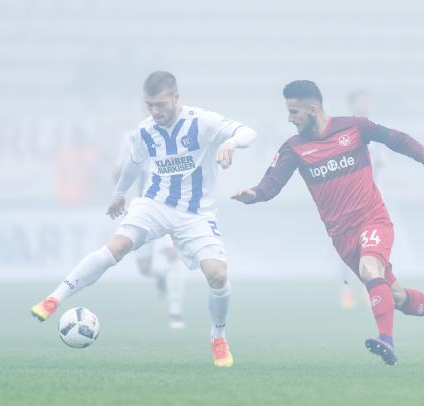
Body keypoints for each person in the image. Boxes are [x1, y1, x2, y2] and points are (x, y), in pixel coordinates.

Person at [32, 71, 257, 368]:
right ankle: (54, 298)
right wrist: (119, 194)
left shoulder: (200, 122)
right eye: (149, 105)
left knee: (217, 275)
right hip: (155, 203)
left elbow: (248, 132)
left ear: (176, 97)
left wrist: (231, 144)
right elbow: (134, 163)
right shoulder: (146, 131)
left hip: (196, 213)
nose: (155, 111)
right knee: (117, 246)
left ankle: (218, 337)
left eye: (161, 104)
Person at [232, 80, 424, 366]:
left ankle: (386, 340)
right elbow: (271, 185)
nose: (289, 118)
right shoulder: (294, 148)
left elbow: (395, 138)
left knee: (369, 267)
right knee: (396, 297)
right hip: (342, 236)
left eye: (294, 111)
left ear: (313, 109)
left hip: (372, 218)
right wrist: (253, 194)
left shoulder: (354, 128)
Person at [113, 135, 187, 330]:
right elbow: (119, 172)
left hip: (170, 206)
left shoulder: (177, 135)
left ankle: (175, 313)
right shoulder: (133, 138)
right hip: (144, 209)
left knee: (172, 255)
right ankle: (162, 276)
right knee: (144, 268)